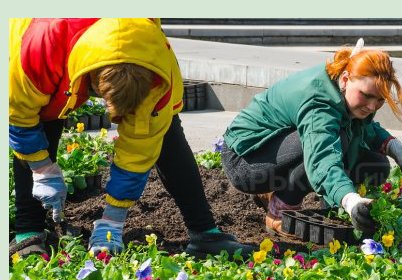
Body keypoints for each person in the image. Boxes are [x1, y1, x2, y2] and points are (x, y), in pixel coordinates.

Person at [9, 18, 254, 259]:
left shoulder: (157, 70)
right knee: (43, 118)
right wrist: (42, 170)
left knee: (165, 132)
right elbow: (18, 115)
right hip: (47, 56)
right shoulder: (39, 45)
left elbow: (138, 149)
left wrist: (112, 220)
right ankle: (28, 232)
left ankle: (204, 233)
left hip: (120, 61)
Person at [221, 39, 402, 236]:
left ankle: (277, 192)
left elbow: (363, 127)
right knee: (332, 144)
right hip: (245, 160)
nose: (372, 106)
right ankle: (279, 211)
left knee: (376, 164)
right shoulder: (319, 102)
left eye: (380, 99)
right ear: (345, 79)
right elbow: (322, 158)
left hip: (276, 150)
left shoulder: (345, 90)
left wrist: (394, 147)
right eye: (366, 95)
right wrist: (349, 199)